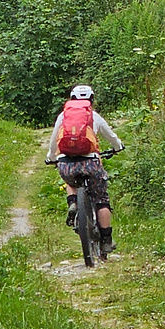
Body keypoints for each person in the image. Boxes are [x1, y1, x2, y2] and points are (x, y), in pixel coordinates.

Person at [46, 83, 124, 258]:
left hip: (66, 163)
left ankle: (73, 202)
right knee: (101, 199)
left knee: (70, 181)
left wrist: (51, 157)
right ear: (91, 99)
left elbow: (53, 141)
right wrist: (118, 147)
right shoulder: (94, 116)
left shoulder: (63, 116)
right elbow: (111, 137)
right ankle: (106, 241)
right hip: (90, 163)